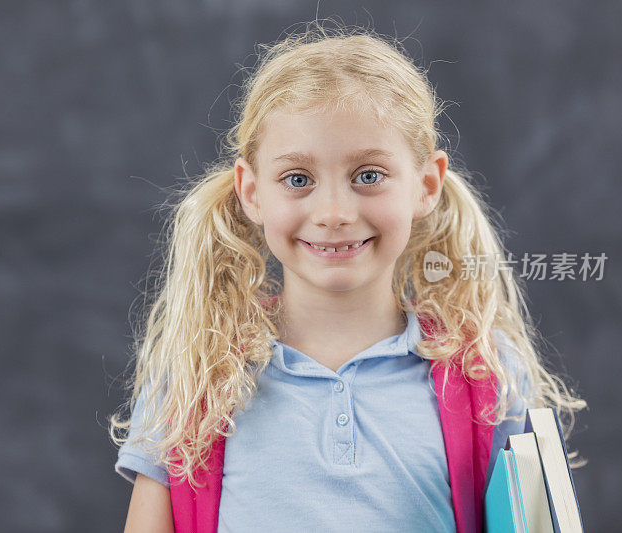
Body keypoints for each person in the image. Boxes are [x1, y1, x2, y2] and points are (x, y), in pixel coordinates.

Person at [108, 20, 587, 533]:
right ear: (252, 193)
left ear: (426, 185)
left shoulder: (488, 376)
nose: (334, 212)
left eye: (368, 176)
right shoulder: (194, 377)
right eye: (298, 179)